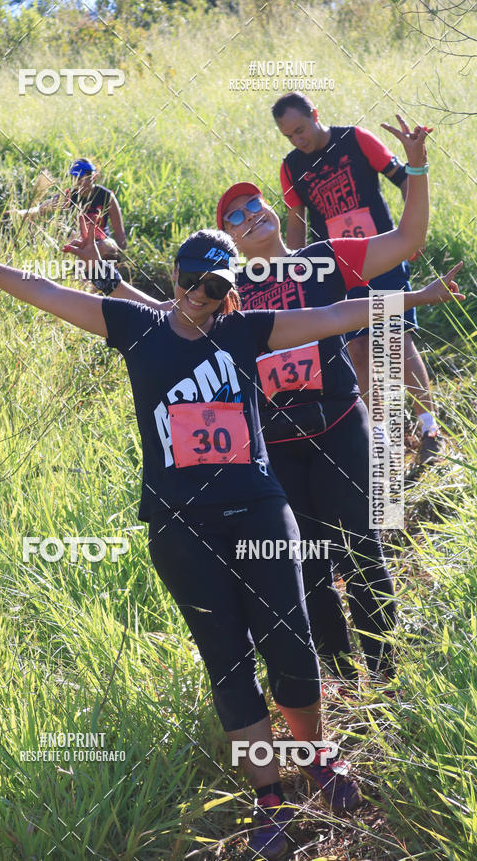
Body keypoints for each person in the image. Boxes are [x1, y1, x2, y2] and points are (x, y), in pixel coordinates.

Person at [0, 213, 462, 859]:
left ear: (232, 292)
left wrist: (418, 296)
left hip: (261, 510)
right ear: (177, 279)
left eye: (215, 286)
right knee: (228, 660)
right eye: (192, 282)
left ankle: (316, 755)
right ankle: (269, 797)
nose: (201, 296)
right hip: (179, 524)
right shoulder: (134, 326)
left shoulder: (248, 330)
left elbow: (337, 316)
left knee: (290, 644)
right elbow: (43, 289)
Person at [83, 116, 433, 686]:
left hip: (340, 425)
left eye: (256, 206)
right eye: (234, 217)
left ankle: (387, 676)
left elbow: (406, 240)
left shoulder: (322, 259)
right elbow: (166, 318)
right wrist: (106, 273)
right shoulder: (227, 294)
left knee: (360, 549)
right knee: (310, 566)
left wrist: (414, 167)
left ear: (274, 211)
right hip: (274, 448)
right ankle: (342, 681)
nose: (250, 217)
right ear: (228, 241)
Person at [272, 92, 442, 466]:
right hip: (338, 271)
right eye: (289, 136)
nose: (298, 140)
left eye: (301, 129)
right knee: (359, 353)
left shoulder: (357, 139)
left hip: (381, 254)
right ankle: (382, 441)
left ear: (315, 114)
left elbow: (404, 179)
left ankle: (429, 430)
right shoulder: (290, 168)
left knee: (394, 343)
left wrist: (412, 233)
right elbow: (296, 227)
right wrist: (293, 274)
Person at [12, 157, 127, 251]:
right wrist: (18, 213)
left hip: (101, 242)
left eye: (80, 178)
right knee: (66, 235)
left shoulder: (106, 196)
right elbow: (40, 209)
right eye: (74, 178)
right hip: (79, 241)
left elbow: (120, 233)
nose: (77, 182)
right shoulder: (69, 195)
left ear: (92, 177)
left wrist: (121, 257)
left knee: (107, 245)